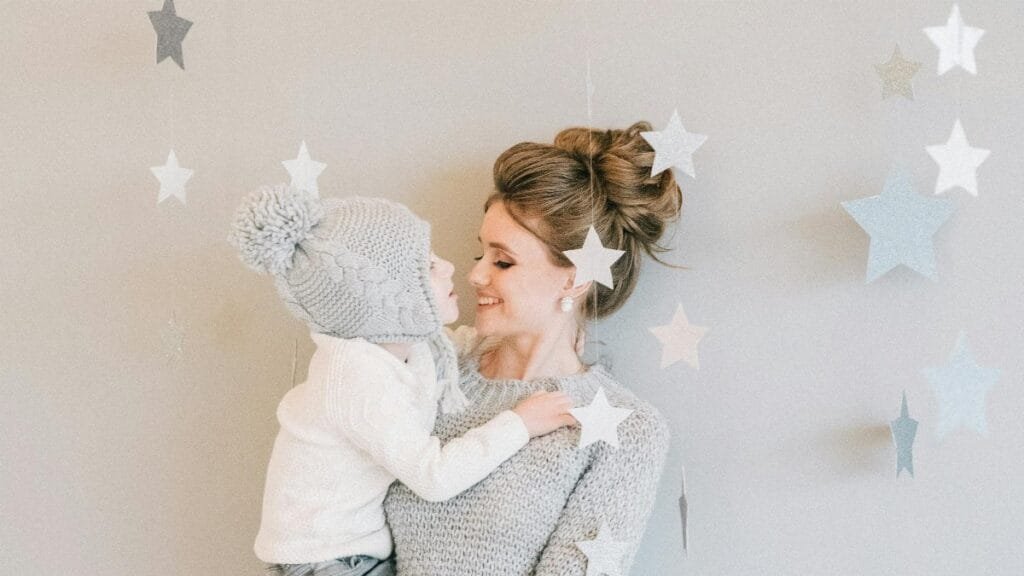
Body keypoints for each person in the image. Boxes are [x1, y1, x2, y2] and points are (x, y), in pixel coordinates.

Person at [228, 185, 576, 576]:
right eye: (426, 265)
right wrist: (520, 424)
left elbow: (458, 345)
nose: (451, 268)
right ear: (386, 299)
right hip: (327, 563)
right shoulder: (358, 377)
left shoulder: (408, 347)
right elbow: (434, 476)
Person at [384, 122, 679, 576]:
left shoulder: (625, 430)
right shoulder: (431, 367)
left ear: (575, 278)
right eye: (480, 253)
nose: (476, 275)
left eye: (503, 261)